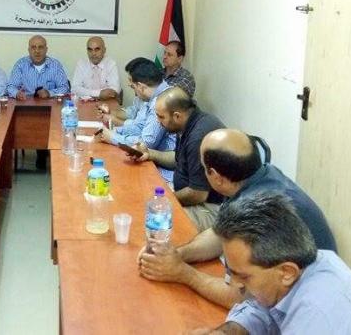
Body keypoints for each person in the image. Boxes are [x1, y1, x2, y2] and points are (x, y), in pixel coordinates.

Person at [139, 129, 337, 309]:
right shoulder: (257, 176)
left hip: (307, 306)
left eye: (204, 168)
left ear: (216, 176)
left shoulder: (259, 209)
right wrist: (177, 255)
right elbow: (219, 235)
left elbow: (239, 297)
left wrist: (183, 273)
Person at [187, 192, 351, 334]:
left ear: (287, 272)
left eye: (243, 277)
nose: (234, 284)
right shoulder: (309, 261)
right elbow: (263, 309)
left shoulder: (315, 318)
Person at [131, 86, 225, 230]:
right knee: (140, 193)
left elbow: (198, 194)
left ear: (176, 116)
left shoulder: (198, 138)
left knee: (151, 220)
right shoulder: (189, 123)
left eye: (161, 117)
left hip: (210, 208)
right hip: (191, 197)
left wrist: (166, 200)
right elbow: (177, 160)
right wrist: (150, 154)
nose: (158, 121)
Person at [97, 58, 175, 180]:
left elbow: (146, 143)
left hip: (165, 172)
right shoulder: (156, 95)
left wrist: (113, 138)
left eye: (133, 86)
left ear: (140, 86)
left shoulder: (161, 101)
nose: (132, 89)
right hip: (153, 161)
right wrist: (115, 131)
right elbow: (139, 127)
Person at [6, 35, 70, 99]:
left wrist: (49, 93)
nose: (37, 51)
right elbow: (10, 87)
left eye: (40, 47)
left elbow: (64, 88)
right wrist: (17, 94)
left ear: (46, 50)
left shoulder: (55, 65)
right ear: (29, 50)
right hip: (26, 102)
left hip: (49, 102)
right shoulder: (20, 65)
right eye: (33, 47)